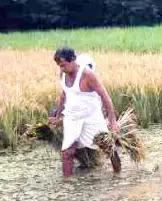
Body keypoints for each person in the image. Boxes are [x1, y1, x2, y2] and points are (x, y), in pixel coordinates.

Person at [49, 47, 121, 177]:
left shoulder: (87, 74)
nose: (62, 69)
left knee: (107, 146)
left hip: (91, 116)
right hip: (72, 117)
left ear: (73, 61)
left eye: (63, 65)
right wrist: (58, 116)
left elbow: (105, 97)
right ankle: (67, 185)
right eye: (59, 66)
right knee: (67, 153)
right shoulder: (63, 74)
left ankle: (118, 175)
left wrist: (113, 122)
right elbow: (64, 95)